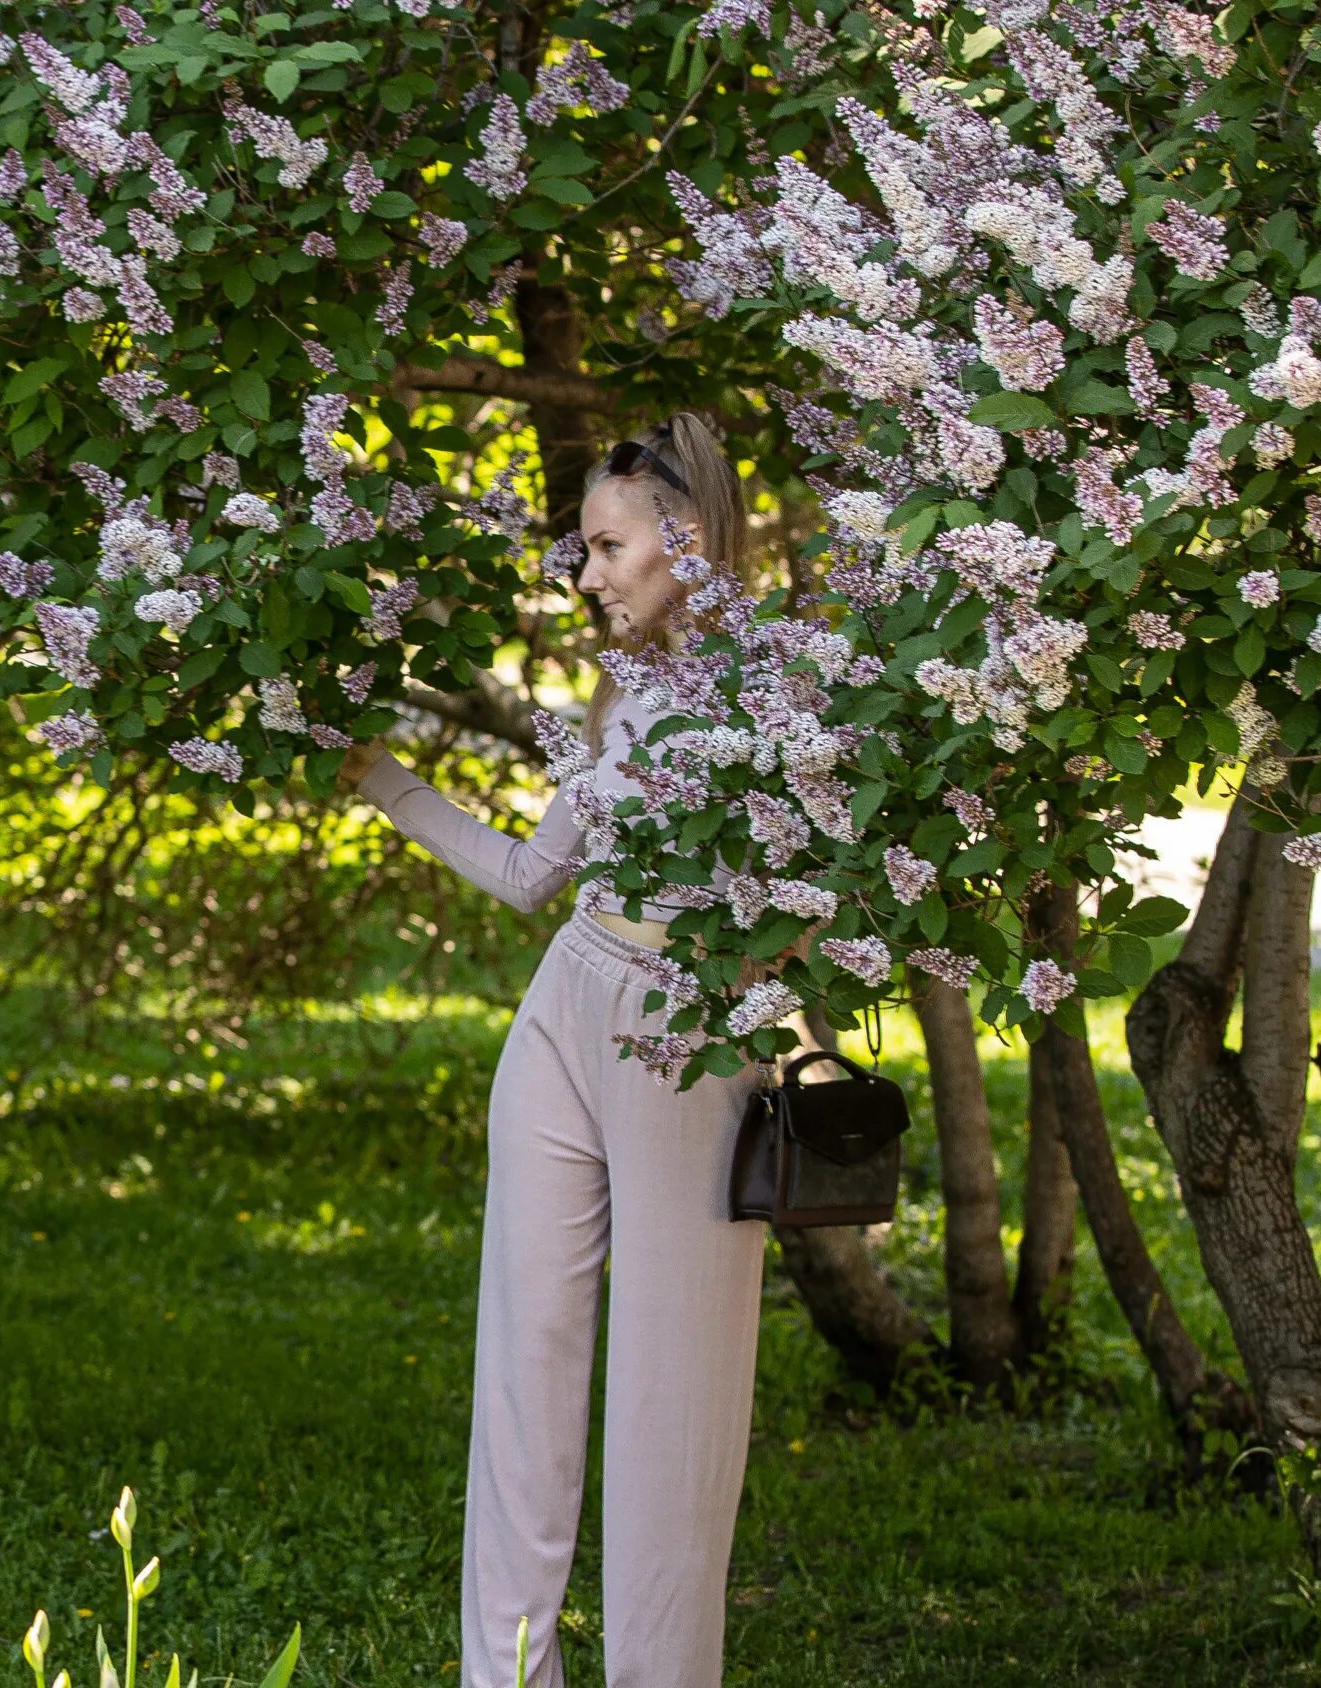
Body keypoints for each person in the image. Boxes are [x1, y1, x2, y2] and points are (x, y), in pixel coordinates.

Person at [338, 413, 760, 1688]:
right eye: (582, 550)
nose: (586, 577)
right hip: (563, 1003)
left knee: (668, 1415)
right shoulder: (625, 686)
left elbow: (826, 905)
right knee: (521, 1375)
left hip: (685, 1040)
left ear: (687, 541)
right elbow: (536, 878)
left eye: (606, 547)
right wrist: (385, 782)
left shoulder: (782, 687)